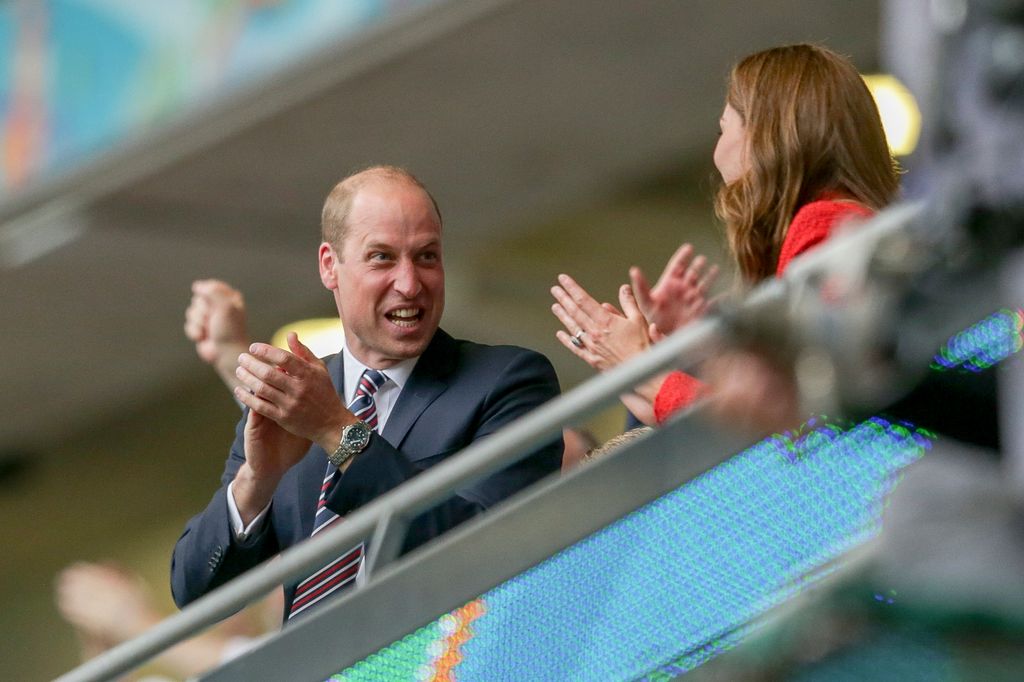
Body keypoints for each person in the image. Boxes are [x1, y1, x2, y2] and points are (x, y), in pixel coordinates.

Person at [171, 166, 563, 621]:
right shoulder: (295, 398)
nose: (410, 284)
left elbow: (487, 550)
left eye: (427, 257)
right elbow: (194, 589)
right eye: (382, 257)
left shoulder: (508, 380)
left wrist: (338, 432)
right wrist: (257, 481)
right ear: (329, 266)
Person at [551, 44, 900, 431]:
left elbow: (803, 428)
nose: (717, 153)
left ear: (764, 137)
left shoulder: (823, 223)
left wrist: (641, 368)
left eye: (723, 128)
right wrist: (673, 357)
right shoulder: (846, 222)